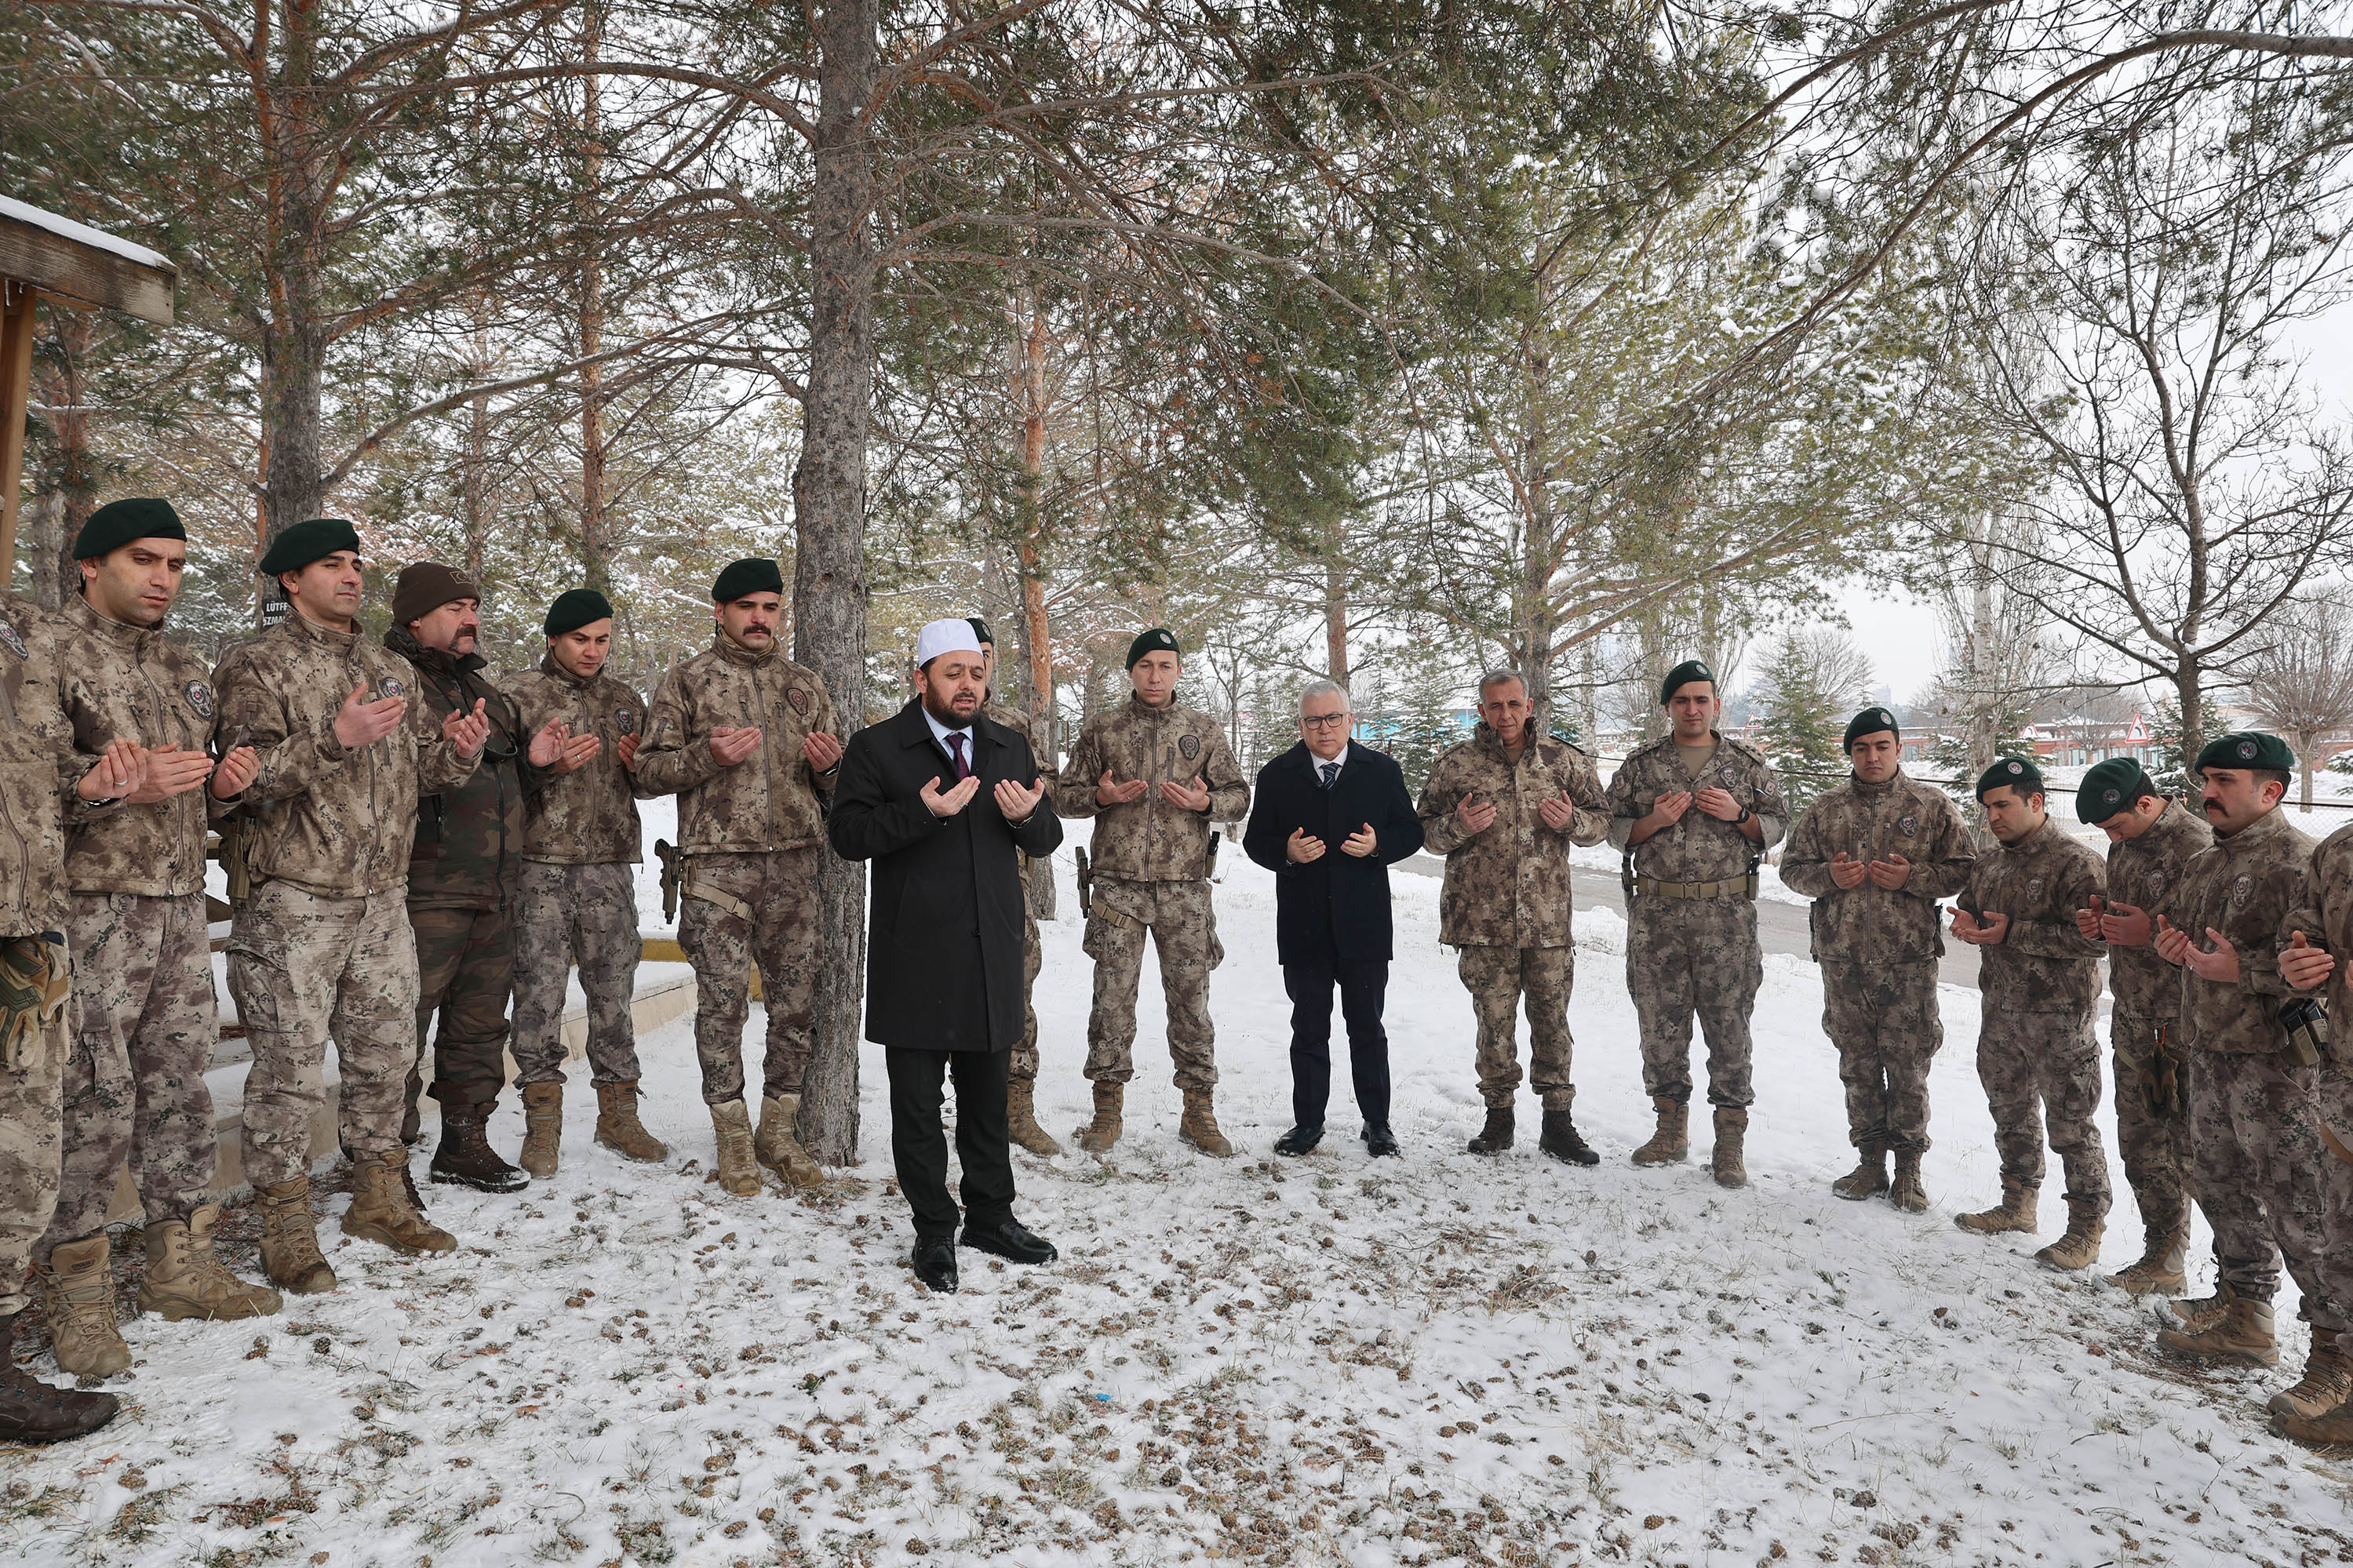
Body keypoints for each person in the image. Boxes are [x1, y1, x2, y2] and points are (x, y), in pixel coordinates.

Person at [32, 499, 280, 1379]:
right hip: (88, 908)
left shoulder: (183, 666)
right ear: (90, 564)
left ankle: (180, 1260)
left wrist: (226, 788)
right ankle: (76, 1285)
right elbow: (24, 780)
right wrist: (104, 787)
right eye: (144, 559)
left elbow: (193, 790)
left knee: (177, 1083)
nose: (163, 578)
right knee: (91, 1096)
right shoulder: (45, 652)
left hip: (177, 905)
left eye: (175, 563)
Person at [213, 519, 490, 1292]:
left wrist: (458, 751)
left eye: (355, 563)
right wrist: (335, 736)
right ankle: (285, 1223)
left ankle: (378, 1198)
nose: (350, 576)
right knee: (289, 1073)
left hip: (381, 900)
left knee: (386, 1060)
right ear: (290, 579)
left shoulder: (386, 666)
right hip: (294, 900)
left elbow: (419, 770)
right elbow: (242, 784)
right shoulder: (255, 665)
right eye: (331, 564)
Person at [829, 620, 1064, 1294]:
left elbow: (1045, 835)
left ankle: (991, 1217)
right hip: (915, 955)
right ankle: (933, 1227)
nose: (968, 685)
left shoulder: (1007, 745)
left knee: (987, 1102)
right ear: (922, 677)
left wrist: (1025, 818)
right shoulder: (879, 747)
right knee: (917, 1107)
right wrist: (921, 813)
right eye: (953, 673)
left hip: (990, 952)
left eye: (977, 674)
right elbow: (847, 835)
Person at [2125, 734, 2351, 1426]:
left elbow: (2304, 969)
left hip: (2275, 1065)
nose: (2208, 792)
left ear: (2270, 790)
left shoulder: (2298, 859)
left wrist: (2241, 970)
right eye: (2206, 779)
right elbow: (2208, 951)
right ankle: (2244, 1311)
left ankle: (2334, 1353)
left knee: (2298, 1208)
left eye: (2224, 780)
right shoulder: (2202, 863)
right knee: (2217, 1183)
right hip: (2208, 1048)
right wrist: (2176, 951)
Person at [635, 559, 842, 1195]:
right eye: (747, 606)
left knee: (796, 1008)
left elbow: (839, 788)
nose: (759, 618)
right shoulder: (688, 680)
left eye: (770, 607)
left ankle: (777, 1133)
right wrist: (707, 755)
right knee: (721, 1007)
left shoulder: (804, 685)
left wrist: (831, 770)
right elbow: (646, 771)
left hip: (795, 868)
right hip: (717, 871)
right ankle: (731, 1134)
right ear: (720, 611)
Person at [388, 563, 565, 1195]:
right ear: (415, 617)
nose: (471, 619)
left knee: (479, 1025)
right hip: (425, 888)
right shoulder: (391, 684)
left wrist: (535, 766)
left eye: (474, 607)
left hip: (493, 889)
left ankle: (464, 1141)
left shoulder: (480, 690)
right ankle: (384, 1157)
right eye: (456, 608)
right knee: (397, 1029)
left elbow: (497, 783)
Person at [0, 580, 129, 1441]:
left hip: (26, 927)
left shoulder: (24, 629)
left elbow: (46, 776)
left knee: (23, 1149)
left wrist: (93, 786)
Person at [1051, 629, 1249, 1157]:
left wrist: (1207, 803)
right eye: (1145, 666)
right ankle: (1106, 1109)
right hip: (1118, 890)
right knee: (1111, 1001)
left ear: (1178, 671)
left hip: (1184, 891)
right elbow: (1063, 796)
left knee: (1191, 1003)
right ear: (1131, 671)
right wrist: (1101, 796)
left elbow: (1238, 795)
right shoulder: (1103, 729)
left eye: (1165, 665)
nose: (1155, 675)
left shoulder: (1203, 730)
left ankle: (1198, 1110)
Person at [1779, 707, 1975, 1212]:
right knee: (1858, 1066)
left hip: (1908, 964)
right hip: (1842, 962)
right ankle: (1869, 1163)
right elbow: (1791, 871)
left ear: (1898, 749)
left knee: (1908, 1067)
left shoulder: (1931, 806)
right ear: (1850, 753)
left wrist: (1913, 877)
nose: (1872, 756)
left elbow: (1963, 870)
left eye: (1882, 746)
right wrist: (1828, 877)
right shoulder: (1826, 809)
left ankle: (1909, 1169)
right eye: (1862, 748)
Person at [1604, 660, 1789, 1187]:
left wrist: (1739, 815)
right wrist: (1653, 821)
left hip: (1725, 920)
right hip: (1656, 918)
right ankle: (1669, 1129)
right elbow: (1609, 827)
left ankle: (1729, 1143)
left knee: (1729, 1029)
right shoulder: (1642, 766)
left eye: (1701, 699)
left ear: (1715, 705)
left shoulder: (1745, 765)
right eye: (1682, 700)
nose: (1692, 709)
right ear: (1668, 706)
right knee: (1660, 1026)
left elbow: (1777, 824)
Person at [1414, 670, 1606, 1161]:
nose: (1505, 715)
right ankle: (1498, 1118)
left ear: (1530, 706)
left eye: (1514, 704)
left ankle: (1558, 1122)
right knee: (1494, 1024)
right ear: (1482, 710)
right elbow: (1423, 832)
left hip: (1547, 920)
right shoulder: (1456, 764)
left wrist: (1573, 822)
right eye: (1495, 706)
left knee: (1552, 1021)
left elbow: (1602, 822)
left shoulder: (1563, 760)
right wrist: (1458, 825)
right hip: (1482, 922)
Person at [504, 588, 667, 1171]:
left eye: (602, 639)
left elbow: (646, 783)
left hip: (608, 868)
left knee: (613, 992)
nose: (593, 650)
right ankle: (541, 1125)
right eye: (580, 639)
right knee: (538, 995)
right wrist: (542, 766)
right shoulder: (519, 695)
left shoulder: (625, 699)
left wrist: (638, 768)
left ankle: (618, 1115)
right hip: (539, 866)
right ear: (553, 638)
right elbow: (495, 783)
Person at [1244, 679, 1424, 1157]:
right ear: (1300, 725)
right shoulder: (1277, 774)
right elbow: (1255, 841)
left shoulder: (1381, 771)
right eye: (1313, 720)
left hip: (1364, 925)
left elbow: (1411, 832)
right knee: (1309, 1029)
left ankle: (1377, 1122)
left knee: (1367, 1027)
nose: (1323, 728)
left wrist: (1379, 845)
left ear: (1350, 720)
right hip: (1303, 926)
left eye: (1332, 718)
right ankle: (1308, 1123)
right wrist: (1285, 852)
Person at [1948, 757, 2111, 1270]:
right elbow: (1972, 905)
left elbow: (2095, 941)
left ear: (2035, 801)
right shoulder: (1989, 862)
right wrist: (1966, 921)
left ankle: (2085, 1228)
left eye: (2002, 805)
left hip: (2058, 1018)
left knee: (2071, 1124)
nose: (1992, 816)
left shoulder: (2076, 863)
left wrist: (2012, 933)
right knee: (2010, 1112)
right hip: (2000, 1012)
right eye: (1986, 808)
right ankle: (2017, 1204)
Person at [2072, 758, 2211, 1296]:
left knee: (2193, 1155)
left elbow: (2215, 934)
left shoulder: (2196, 845)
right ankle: (2162, 1258)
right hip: (2134, 1019)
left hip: (2183, 1025)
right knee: (2142, 1146)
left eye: (2116, 825)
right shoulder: (2124, 845)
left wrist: (2147, 932)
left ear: (2147, 803)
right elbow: (2124, 919)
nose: (2112, 838)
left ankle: (2237, 1285)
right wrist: (2100, 925)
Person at [2270, 778, 2353, 1442]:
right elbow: (2301, 930)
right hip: (2344, 1081)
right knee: (2342, 1241)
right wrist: (2297, 960)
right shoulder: (2338, 851)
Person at [967, 617, 1059, 1157]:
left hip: (1007, 878)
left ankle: (1017, 1106)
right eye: (967, 653)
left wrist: (1030, 805)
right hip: (942, 883)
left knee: (1016, 986)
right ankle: (959, 1106)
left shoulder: (1014, 725)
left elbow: (1047, 793)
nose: (978, 663)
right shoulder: (919, 723)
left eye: (986, 653)